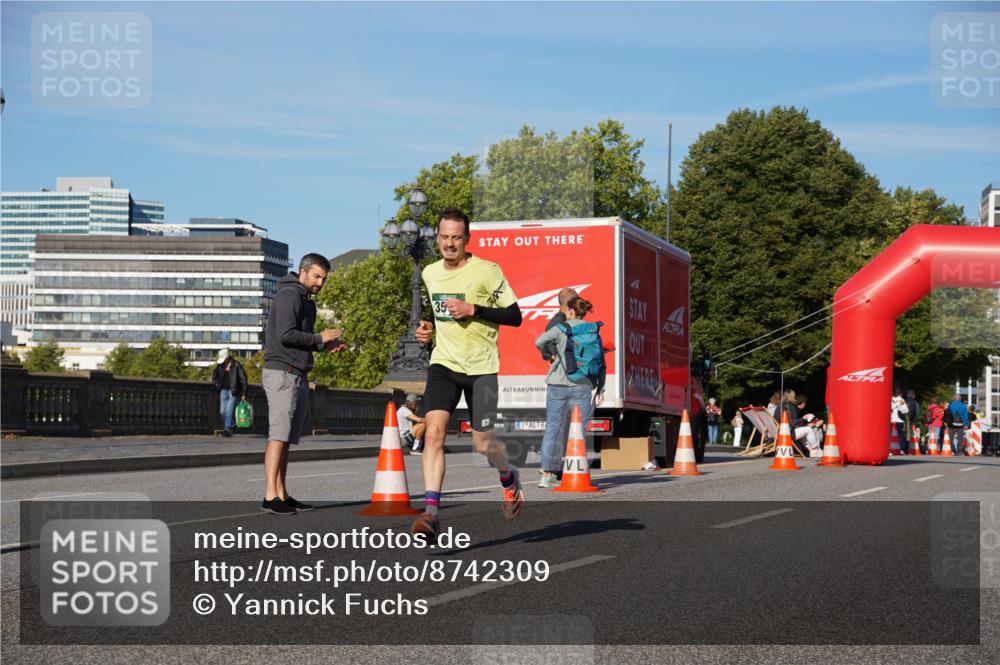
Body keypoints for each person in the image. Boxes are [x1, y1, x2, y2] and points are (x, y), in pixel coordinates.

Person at [412, 209, 524, 540]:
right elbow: (438, 314)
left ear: (467, 239)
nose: (449, 243)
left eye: (456, 237)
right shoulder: (431, 273)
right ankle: (431, 513)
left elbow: (515, 316)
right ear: (437, 238)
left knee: (483, 444)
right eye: (444, 237)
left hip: (482, 367)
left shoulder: (487, 271)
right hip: (444, 363)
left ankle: (507, 476)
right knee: (433, 434)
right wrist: (428, 329)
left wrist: (474, 309)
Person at [261, 253, 345, 515]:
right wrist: (319, 337)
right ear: (303, 272)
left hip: (296, 372)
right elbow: (285, 335)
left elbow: (301, 339)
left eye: (324, 278)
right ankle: (270, 495)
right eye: (317, 276)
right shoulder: (289, 295)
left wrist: (323, 345)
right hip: (282, 372)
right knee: (278, 436)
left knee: (286, 438)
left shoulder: (306, 301)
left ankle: (282, 494)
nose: (320, 282)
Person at [534, 296, 607, 489]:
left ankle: (547, 475)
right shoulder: (593, 330)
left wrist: (552, 354)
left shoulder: (561, 329)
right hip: (583, 385)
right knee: (578, 431)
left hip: (558, 384)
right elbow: (601, 363)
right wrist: (600, 387)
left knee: (553, 429)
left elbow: (539, 341)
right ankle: (576, 470)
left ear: (571, 311)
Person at [212, 348, 247, 436]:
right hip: (223, 389)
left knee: (229, 411)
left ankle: (227, 429)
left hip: (233, 390)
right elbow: (215, 374)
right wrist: (215, 382)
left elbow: (243, 379)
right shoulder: (220, 365)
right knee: (222, 412)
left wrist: (244, 393)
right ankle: (232, 424)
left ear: (228, 357)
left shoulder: (236, 365)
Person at [539, 287, 578, 361]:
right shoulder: (556, 325)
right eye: (577, 302)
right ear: (571, 303)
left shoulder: (569, 321)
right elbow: (555, 355)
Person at [890, 388, 909, 454]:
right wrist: (900, 405)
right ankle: (901, 449)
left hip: (892, 419)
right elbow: (906, 410)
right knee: (900, 435)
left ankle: (890, 449)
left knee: (890, 435)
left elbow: (891, 407)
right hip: (900, 420)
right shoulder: (902, 400)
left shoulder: (890, 399)